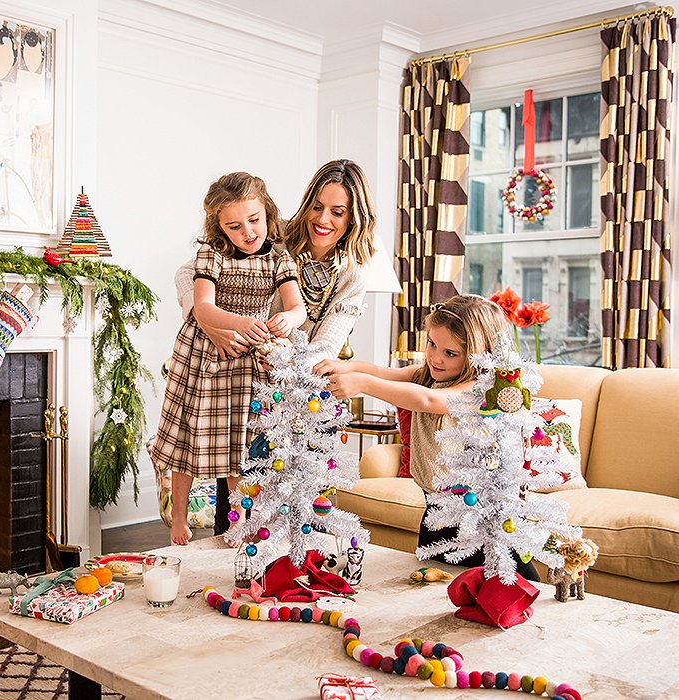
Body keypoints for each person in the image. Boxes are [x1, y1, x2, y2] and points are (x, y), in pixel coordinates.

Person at [174, 159, 378, 535]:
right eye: (317, 206)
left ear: (355, 217)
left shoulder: (353, 272)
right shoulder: (270, 235)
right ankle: (233, 574)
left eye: (338, 211)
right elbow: (189, 274)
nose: (323, 219)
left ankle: (298, 576)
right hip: (249, 385)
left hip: (309, 390)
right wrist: (209, 323)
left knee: (304, 499)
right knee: (239, 491)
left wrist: (286, 359)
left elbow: (328, 341)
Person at [314, 294, 540, 581]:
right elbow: (384, 372)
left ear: (479, 354)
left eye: (450, 353)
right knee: (436, 585)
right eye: (432, 344)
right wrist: (345, 367)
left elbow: (428, 401)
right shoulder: (429, 375)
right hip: (435, 509)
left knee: (515, 586)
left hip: (479, 518)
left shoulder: (482, 390)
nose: (435, 357)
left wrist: (365, 385)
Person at [152, 172, 306, 545]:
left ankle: (238, 519)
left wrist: (288, 318)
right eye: (234, 226)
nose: (248, 232)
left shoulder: (280, 257)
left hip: (249, 361)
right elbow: (203, 308)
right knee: (185, 439)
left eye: (255, 220)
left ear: (267, 212)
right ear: (219, 227)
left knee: (239, 446)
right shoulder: (211, 254)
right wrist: (241, 322)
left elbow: (297, 307)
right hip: (204, 353)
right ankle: (178, 518)